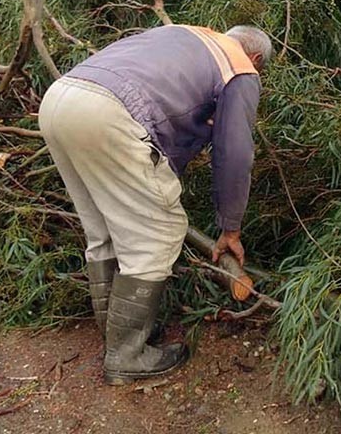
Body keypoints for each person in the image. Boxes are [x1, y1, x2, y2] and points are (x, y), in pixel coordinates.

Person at [39, 23, 272, 385]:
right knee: (158, 232)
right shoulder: (240, 67)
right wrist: (231, 227)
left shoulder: (187, 34)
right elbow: (235, 154)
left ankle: (116, 334)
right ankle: (127, 356)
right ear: (256, 58)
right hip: (107, 114)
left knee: (104, 229)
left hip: (61, 98)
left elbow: (164, 109)